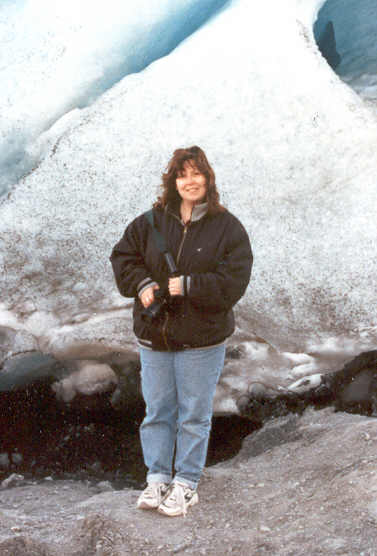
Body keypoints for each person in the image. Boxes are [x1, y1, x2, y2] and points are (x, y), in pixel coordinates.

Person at [110, 146, 252, 517]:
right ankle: (157, 478)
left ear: (208, 179)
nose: (190, 181)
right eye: (182, 174)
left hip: (202, 339)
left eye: (197, 173)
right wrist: (141, 284)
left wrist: (189, 285)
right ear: (173, 181)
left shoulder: (228, 228)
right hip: (155, 333)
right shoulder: (150, 222)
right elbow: (123, 257)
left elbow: (234, 282)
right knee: (157, 409)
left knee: (193, 413)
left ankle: (186, 483)